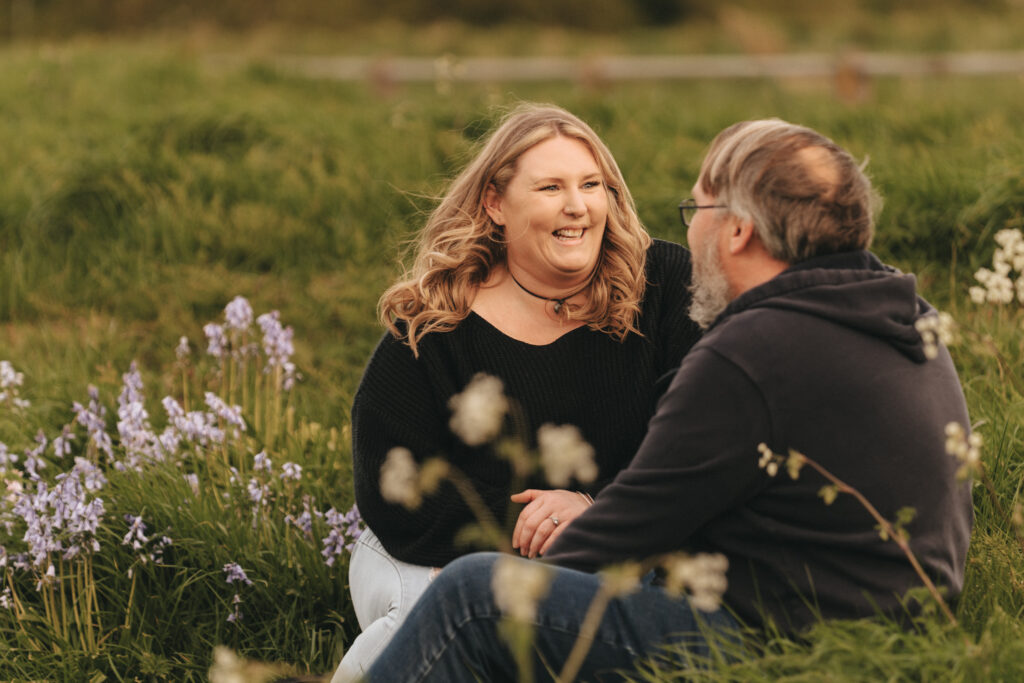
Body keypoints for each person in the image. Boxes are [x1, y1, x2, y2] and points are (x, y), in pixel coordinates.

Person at [362, 118, 975, 682]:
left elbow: (633, 524)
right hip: (899, 640)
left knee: (473, 597)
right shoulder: (904, 318)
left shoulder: (751, 351)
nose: (687, 229)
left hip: (777, 642)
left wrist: (510, 573)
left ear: (737, 230)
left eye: (696, 207)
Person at [332, 104, 702, 681]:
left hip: (615, 542)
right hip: (428, 547)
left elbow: (700, 439)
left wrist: (597, 509)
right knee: (430, 616)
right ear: (496, 204)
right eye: (551, 187)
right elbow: (391, 486)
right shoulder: (434, 322)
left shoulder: (662, 286)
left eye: (591, 185)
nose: (577, 205)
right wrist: (526, 534)